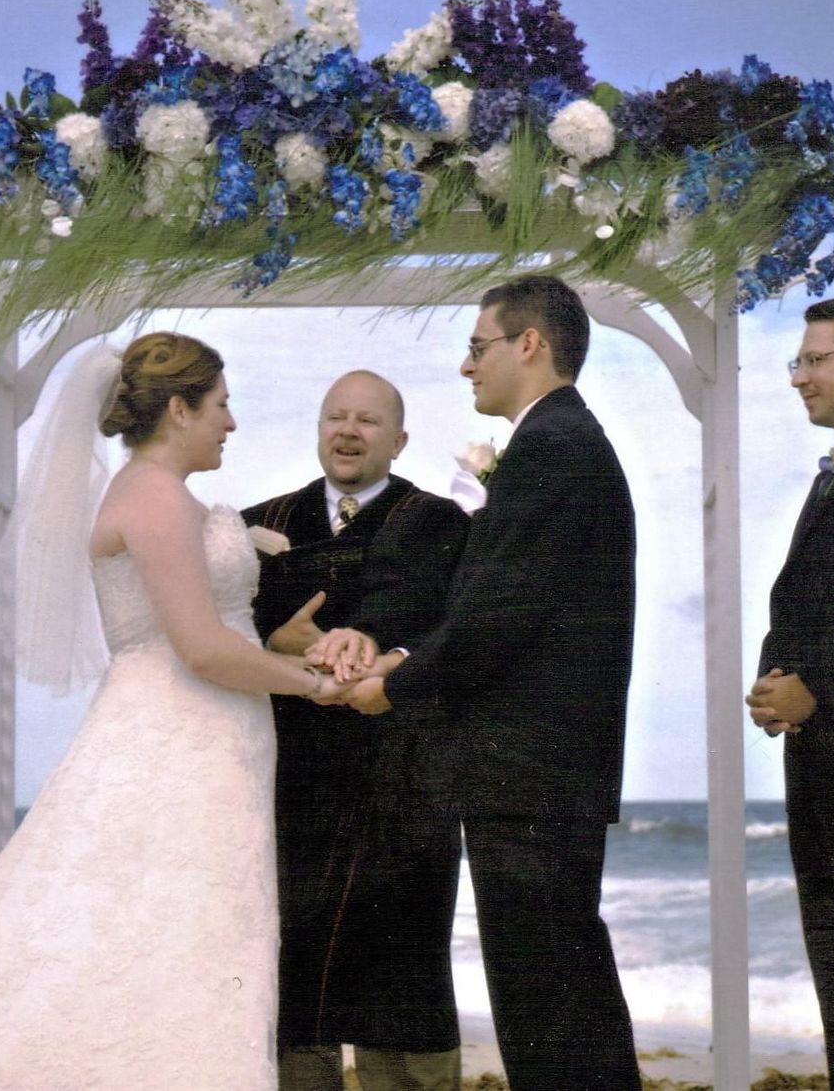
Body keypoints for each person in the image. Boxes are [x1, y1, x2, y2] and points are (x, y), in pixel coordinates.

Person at [0, 333, 337, 1091]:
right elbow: (200, 648)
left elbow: (213, 627)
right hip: (179, 741)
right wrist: (319, 685)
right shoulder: (154, 496)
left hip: (207, 739)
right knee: (166, 933)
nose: (230, 423)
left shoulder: (162, 494)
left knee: (171, 929)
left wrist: (288, 649)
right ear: (178, 408)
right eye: (221, 405)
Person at [314, 276, 639, 1090]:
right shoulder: (553, 444)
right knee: (552, 1005)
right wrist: (401, 658)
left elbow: (503, 615)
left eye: (477, 345)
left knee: (554, 1013)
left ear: (529, 343)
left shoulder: (555, 448)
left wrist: (394, 684)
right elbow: (495, 607)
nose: (467, 366)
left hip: (530, 777)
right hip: (533, 777)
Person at [241, 370, 469, 1091]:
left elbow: (452, 628)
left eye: (367, 421)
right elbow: (214, 631)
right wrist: (275, 639)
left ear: (399, 441)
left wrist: (371, 640)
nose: (347, 430)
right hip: (293, 780)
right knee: (294, 964)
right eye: (335, 416)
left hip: (405, 779)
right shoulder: (263, 520)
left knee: (402, 971)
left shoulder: (444, 522)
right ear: (317, 429)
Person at [746, 297, 834, 1086]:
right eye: (797, 362)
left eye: (816, 360)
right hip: (821, 781)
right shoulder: (830, 477)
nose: (799, 379)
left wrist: (825, 691)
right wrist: (776, 678)